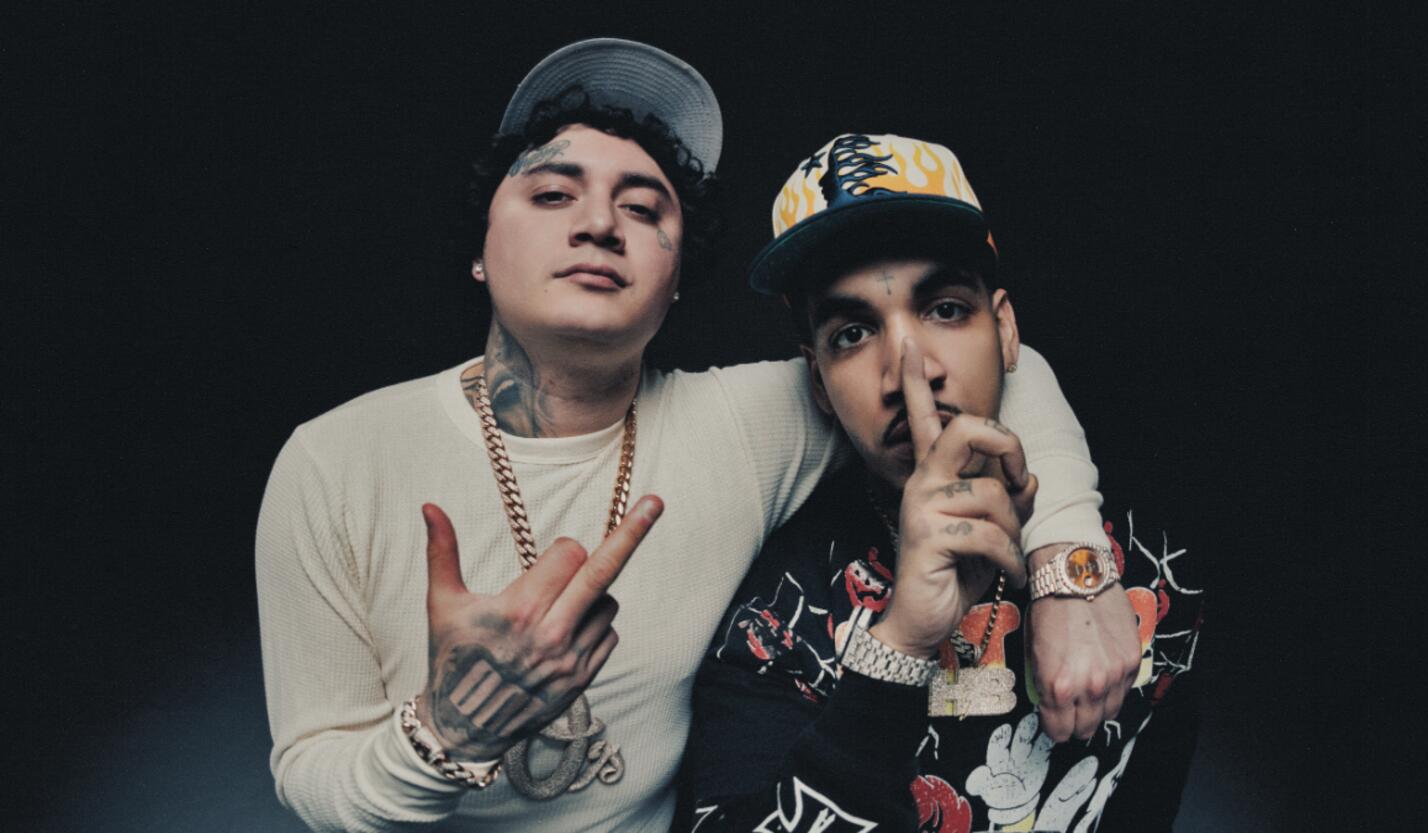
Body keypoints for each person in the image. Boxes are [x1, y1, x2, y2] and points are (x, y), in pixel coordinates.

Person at [255, 40, 1118, 832]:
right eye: (553, 194)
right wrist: (444, 731)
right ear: (480, 243)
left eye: (642, 207)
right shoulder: (333, 463)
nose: (599, 224)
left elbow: (995, 371)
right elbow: (309, 769)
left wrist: (1068, 570)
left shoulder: (747, 423)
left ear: (674, 282)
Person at [676, 134, 1204, 832]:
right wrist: (898, 650)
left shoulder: (1147, 578)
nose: (911, 371)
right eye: (852, 333)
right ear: (819, 384)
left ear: (1008, 333)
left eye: (945, 309)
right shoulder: (776, 625)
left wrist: (1070, 567)